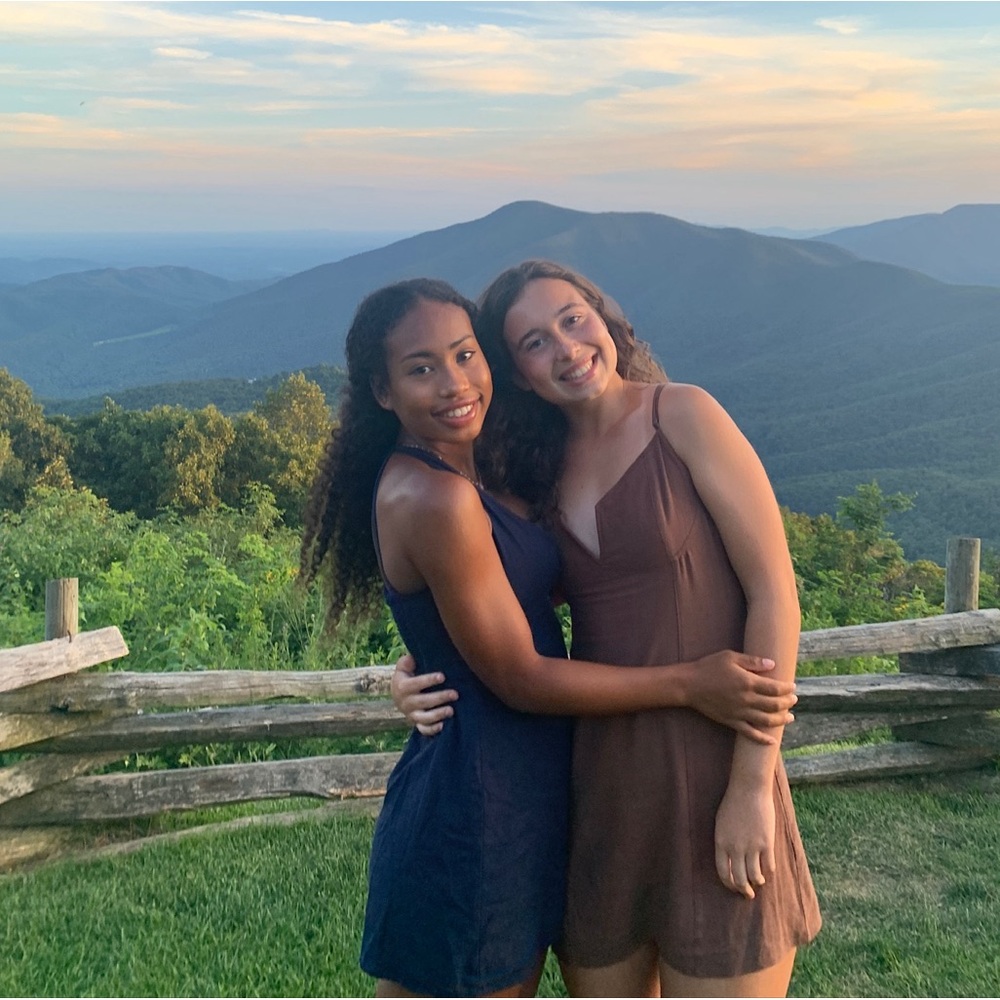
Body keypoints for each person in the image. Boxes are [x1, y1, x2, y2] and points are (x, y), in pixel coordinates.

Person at [300, 278, 797, 999]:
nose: (565, 347)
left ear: (607, 319)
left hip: (648, 772)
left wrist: (753, 780)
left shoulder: (649, 426)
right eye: (533, 341)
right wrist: (422, 662)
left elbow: (768, 589)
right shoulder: (485, 482)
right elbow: (517, 654)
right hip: (544, 790)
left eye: (573, 319)